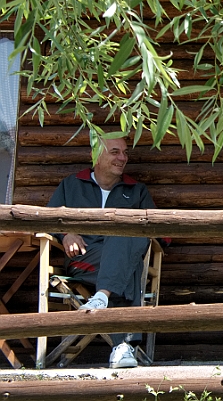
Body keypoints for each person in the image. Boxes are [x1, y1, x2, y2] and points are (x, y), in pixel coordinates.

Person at [48, 134, 154, 369]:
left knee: (126, 231)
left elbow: (159, 232)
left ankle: (101, 297)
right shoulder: (71, 184)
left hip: (124, 257)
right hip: (86, 259)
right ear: (95, 155)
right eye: (115, 152)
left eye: (125, 153)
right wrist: (66, 234)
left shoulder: (136, 190)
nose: (123, 158)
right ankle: (125, 345)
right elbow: (48, 220)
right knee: (128, 272)